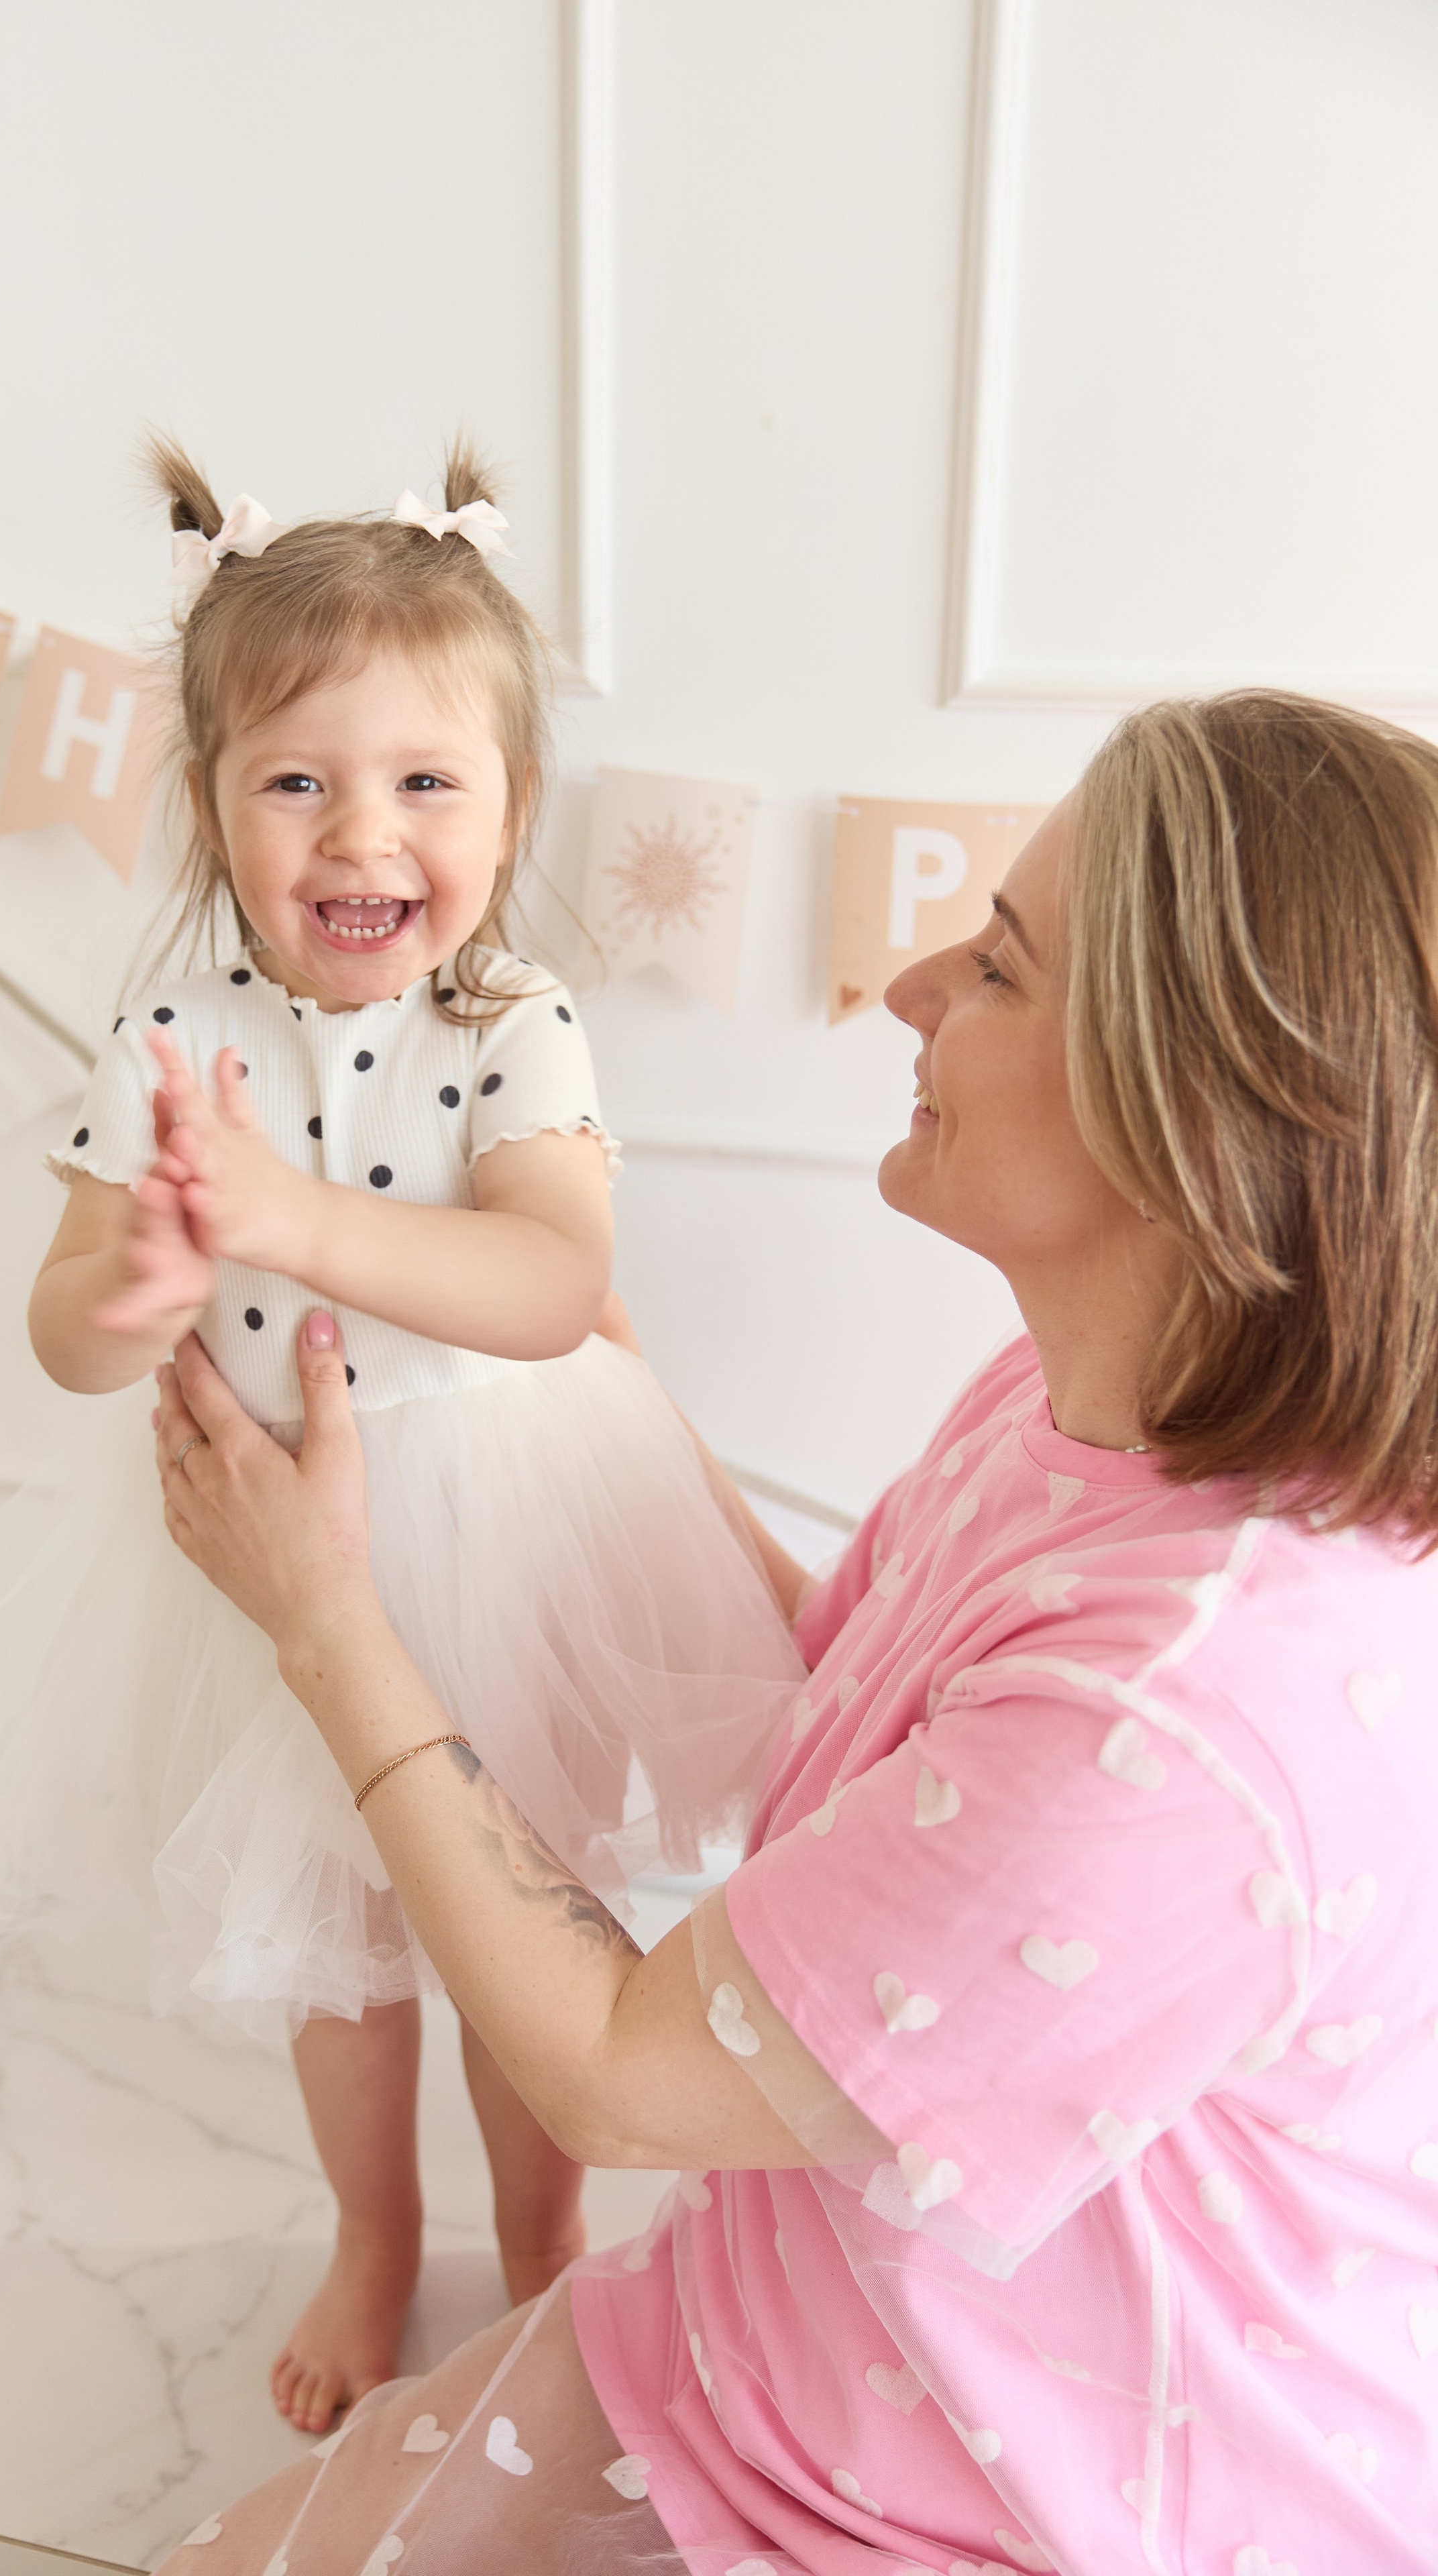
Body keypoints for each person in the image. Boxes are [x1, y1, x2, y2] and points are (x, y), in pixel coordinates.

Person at [149, 691, 1438, 2575]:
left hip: (1003, 2507)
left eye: (998, 964)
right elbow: (828, 1696)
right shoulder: (1077, 1402)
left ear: (1192, 1122)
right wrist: (611, 1390)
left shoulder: (1180, 1720)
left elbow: (613, 2067)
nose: (910, 986)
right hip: (796, 2348)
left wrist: (324, 1620)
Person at [0, 441, 805, 2439]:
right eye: (293, 778)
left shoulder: (516, 1027)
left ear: (509, 807)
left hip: (509, 1534)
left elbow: (552, 1284)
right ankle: (373, 2231)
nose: (355, 831)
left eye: (421, 782)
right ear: (211, 805)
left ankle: (545, 2246)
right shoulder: (169, 1041)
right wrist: (126, 1294)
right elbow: (60, 1321)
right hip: (267, 1552)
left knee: (519, 1927)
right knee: (336, 1956)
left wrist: (290, 1225)